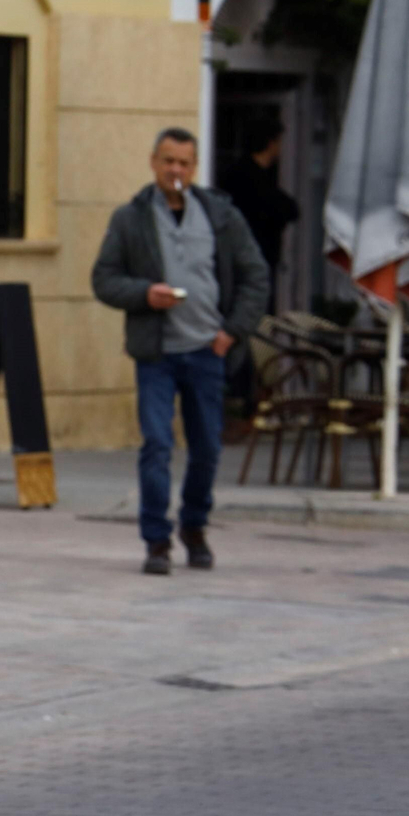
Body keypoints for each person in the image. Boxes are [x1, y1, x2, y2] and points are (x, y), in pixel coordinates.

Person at [91, 128, 268, 576]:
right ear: (153, 162)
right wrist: (143, 293)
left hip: (208, 349)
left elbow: (255, 276)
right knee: (156, 444)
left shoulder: (222, 216)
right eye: (168, 161)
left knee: (207, 447)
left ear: (195, 167)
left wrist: (233, 331)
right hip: (157, 353)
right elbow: (104, 279)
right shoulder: (131, 219)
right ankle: (156, 540)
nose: (176, 171)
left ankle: (194, 525)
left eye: (184, 163)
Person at [219, 116, 299, 314]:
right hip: (251, 257)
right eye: (279, 142)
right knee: (255, 309)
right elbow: (287, 209)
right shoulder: (251, 177)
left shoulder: (252, 174)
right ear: (271, 143)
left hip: (252, 255)